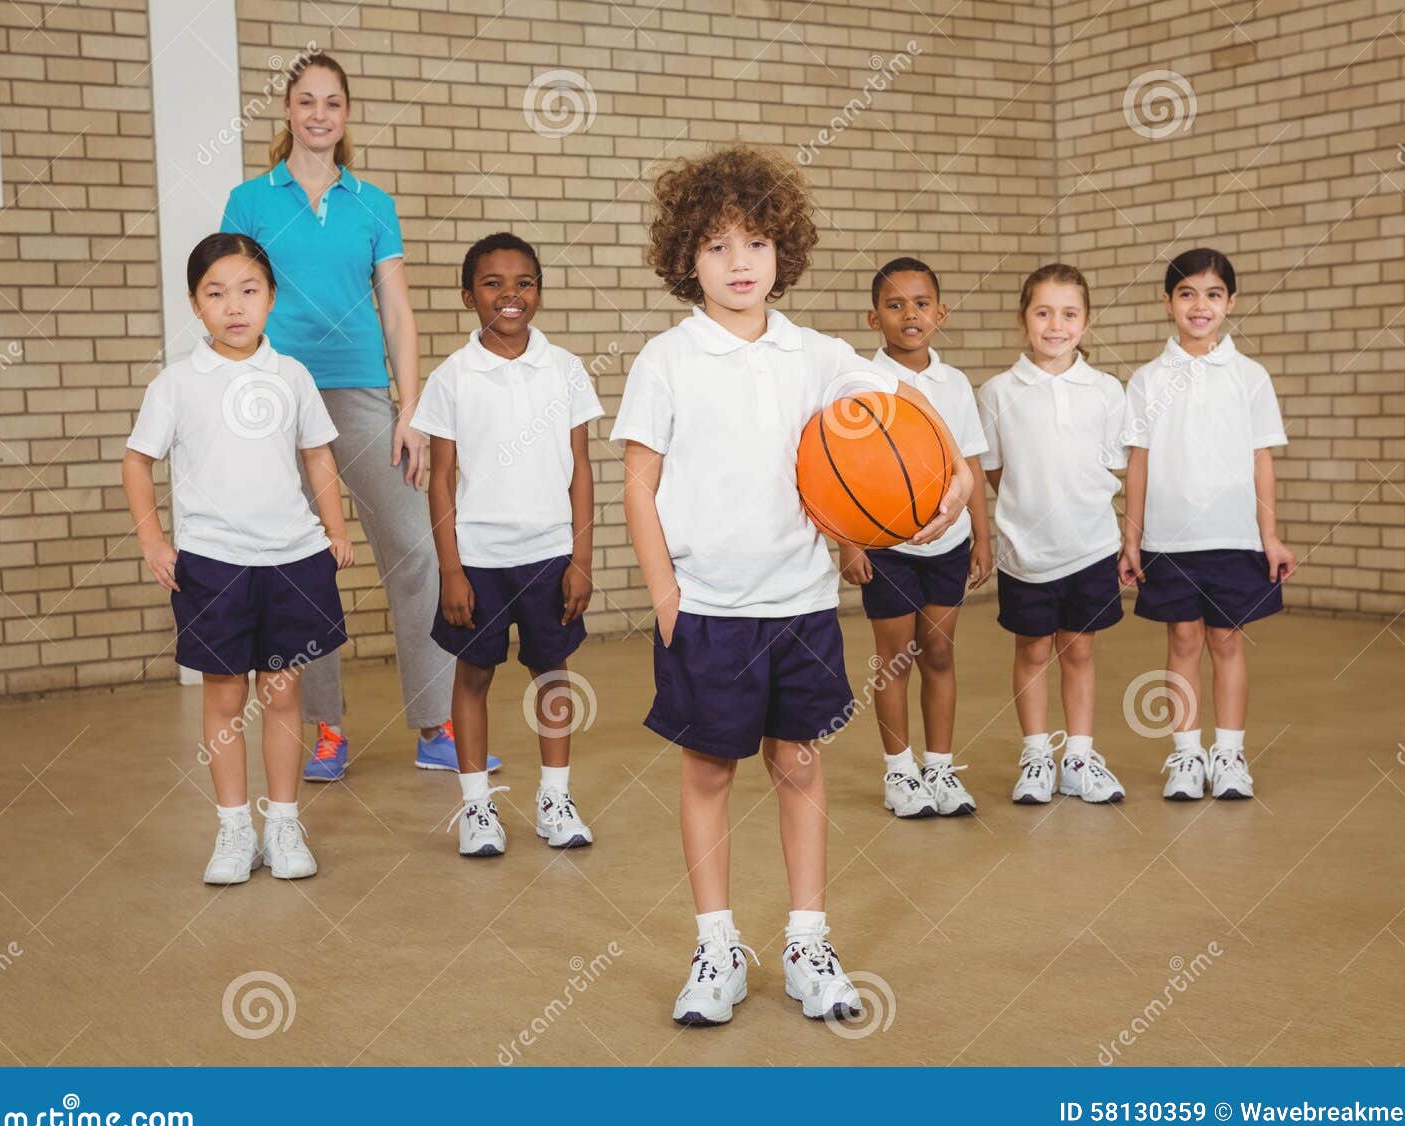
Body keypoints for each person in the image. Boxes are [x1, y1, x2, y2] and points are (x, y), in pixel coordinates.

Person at [613, 145, 974, 1026]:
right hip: (706, 608)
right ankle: (716, 946)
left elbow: (904, 417)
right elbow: (636, 482)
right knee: (707, 773)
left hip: (802, 606)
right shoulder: (667, 358)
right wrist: (665, 597)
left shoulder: (818, 354)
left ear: (786, 254)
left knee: (800, 765)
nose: (740, 264)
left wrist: (954, 476)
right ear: (683, 258)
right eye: (716, 245)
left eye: (758, 243)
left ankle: (808, 941)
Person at [220, 52, 496, 781]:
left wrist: (410, 406)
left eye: (332, 103)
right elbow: (231, 294)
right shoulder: (250, 200)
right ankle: (328, 729)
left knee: (417, 550)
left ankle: (435, 722)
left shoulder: (373, 203)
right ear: (287, 112)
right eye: (305, 101)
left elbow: (397, 311)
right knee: (303, 565)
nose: (318, 114)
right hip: (276, 396)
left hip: (361, 393)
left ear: (346, 115)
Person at [123, 233, 352, 884]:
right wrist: (153, 541)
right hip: (214, 564)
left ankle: (283, 822)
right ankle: (233, 830)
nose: (234, 306)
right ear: (196, 305)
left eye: (248, 290)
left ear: (271, 298)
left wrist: (335, 528)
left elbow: (318, 454)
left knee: (282, 694)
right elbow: (137, 462)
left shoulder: (292, 375)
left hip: (292, 558)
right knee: (224, 697)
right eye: (215, 293)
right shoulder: (177, 384)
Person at [414, 233, 603, 856]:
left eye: (524, 282)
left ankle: (555, 796)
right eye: (493, 283)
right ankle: (476, 807)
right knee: (473, 676)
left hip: (550, 556)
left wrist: (580, 559)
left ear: (539, 292)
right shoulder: (452, 378)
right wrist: (451, 570)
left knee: (553, 675)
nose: (510, 294)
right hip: (478, 560)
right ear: (469, 296)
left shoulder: (566, 368)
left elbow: (581, 467)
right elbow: (440, 479)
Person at [1118, 248, 1295, 801]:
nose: (1201, 305)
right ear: (1168, 302)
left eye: (1213, 294)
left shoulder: (1249, 376)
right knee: (1184, 640)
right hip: (1170, 540)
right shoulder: (1147, 380)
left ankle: (1230, 754)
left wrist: (1269, 536)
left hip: (1234, 536)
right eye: (1188, 293)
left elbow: (1261, 457)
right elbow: (1139, 461)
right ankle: (1187, 756)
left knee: (1226, 641)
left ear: (1231, 303)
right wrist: (1133, 537)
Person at [841, 256, 993, 820]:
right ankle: (900, 772)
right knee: (894, 660)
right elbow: (841, 470)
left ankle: (941, 767)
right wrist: (849, 543)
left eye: (922, 303)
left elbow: (969, 464)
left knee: (940, 653)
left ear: (940, 313)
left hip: (945, 545)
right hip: (885, 547)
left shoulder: (953, 384)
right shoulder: (863, 382)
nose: (910, 314)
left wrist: (982, 533)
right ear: (873, 317)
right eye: (895, 304)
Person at [976, 264, 1129, 805]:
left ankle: (1080, 758)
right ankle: (1037, 756)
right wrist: (1026, 507)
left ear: (1085, 322)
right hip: (1027, 553)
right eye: (1043, 312)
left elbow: (1113, 465)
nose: (1055, 325)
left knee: (1079, 653)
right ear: (1024, 320)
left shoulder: (1107, 391)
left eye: (1069, 314)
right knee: (1033, 650)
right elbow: (993, 469)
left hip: (1090, 547)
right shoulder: (997, 392)